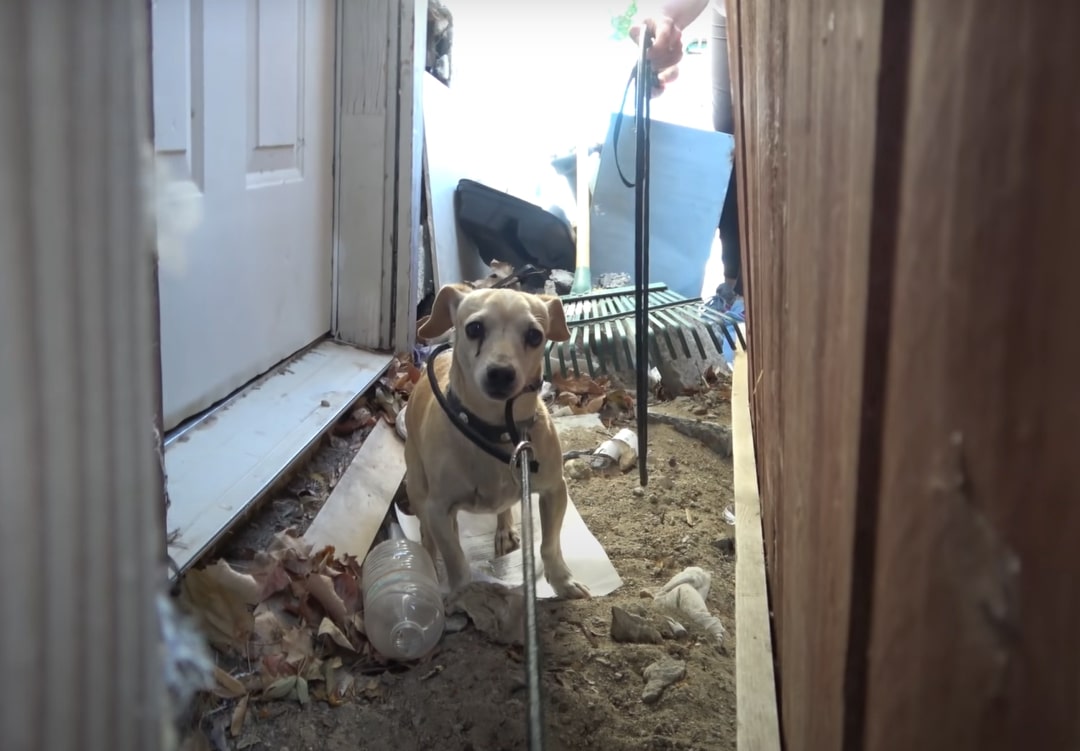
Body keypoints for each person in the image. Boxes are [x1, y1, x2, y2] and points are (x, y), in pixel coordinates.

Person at [631, 1, 742, 313]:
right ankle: (732, 289)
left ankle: (749, 291)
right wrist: (670, 22)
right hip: (729, 10)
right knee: (729, 145)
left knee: (765, 143)